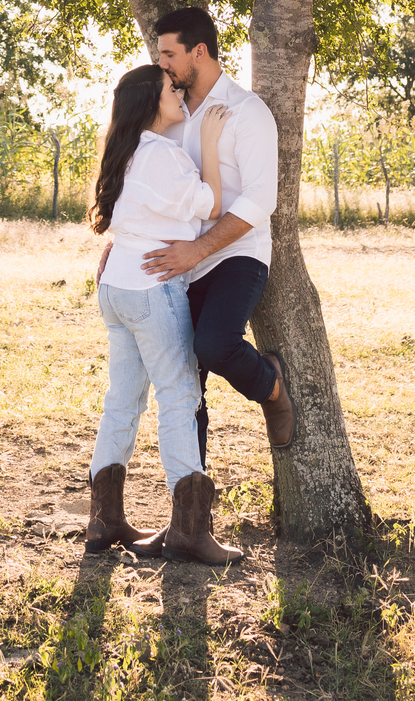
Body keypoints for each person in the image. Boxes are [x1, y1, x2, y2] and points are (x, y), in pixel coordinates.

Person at [86, 63, 244, 565]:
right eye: (169, 88)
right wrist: (213, 143)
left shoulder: (124, 152)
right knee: (179, 396)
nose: (178, 92)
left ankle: (104, 519)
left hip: (117, 289)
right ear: (151, 102)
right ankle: (190, 530)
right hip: (155, 290)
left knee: (123, 401)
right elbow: (212, 205)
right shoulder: (164, 155)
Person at [140, 7, 295, 461]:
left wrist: (200, 249)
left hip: (234, 254)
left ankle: (270, 386)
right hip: (177, 261)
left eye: (169, 53)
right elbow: (151, 186)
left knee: (214, 344)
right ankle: (192, 516)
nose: (162, 64)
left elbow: (260, 199)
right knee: (183, 385)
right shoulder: (168, 111)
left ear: (199, 51)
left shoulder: (247, 111)